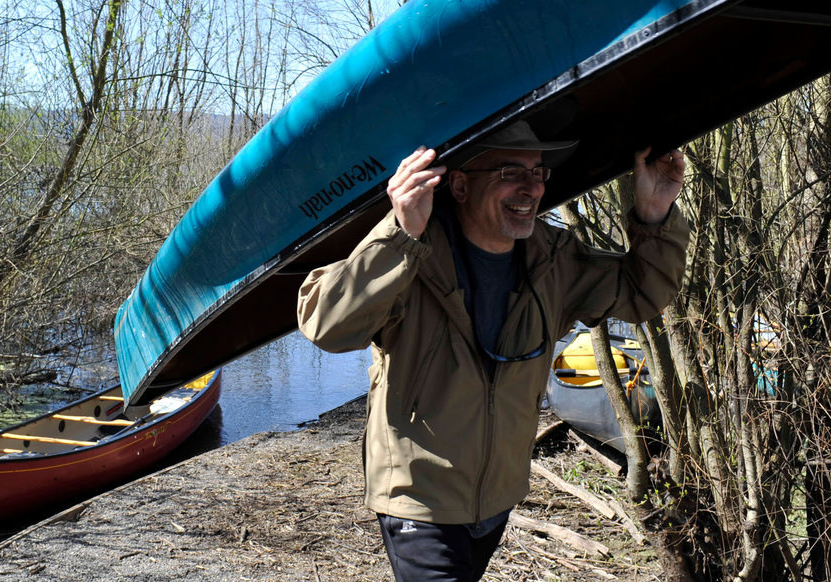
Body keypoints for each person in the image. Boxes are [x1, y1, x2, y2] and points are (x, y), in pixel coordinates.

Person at [295, 120, 690, 581]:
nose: (532, 188)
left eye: (538, 173)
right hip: (418, 495)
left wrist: (656, 214)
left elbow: (640, 294)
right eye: (510, 172)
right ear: (460, 185)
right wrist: (400, 232)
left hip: (498, 494)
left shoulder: (554, 258)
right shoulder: (414, 250)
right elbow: (326, 326)